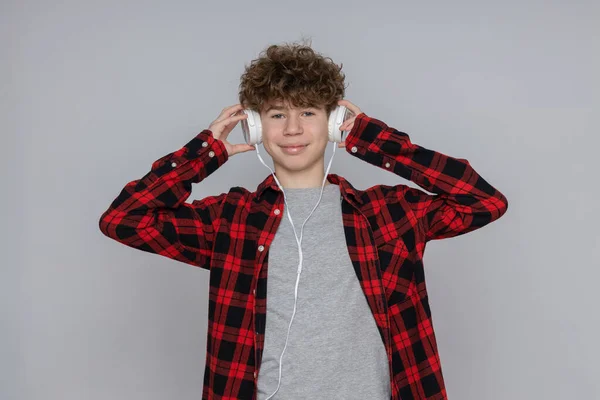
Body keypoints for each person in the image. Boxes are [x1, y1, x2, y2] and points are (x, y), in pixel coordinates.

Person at [99, 41, 508, 400]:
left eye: (308, 112)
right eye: (276, 115)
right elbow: (124, 219)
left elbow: (484, 201)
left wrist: (377, 141)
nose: (292, 129)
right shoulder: (231, 219)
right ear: (256, 126)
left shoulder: (389, 213)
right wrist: (204, 152)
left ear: (332, 123)